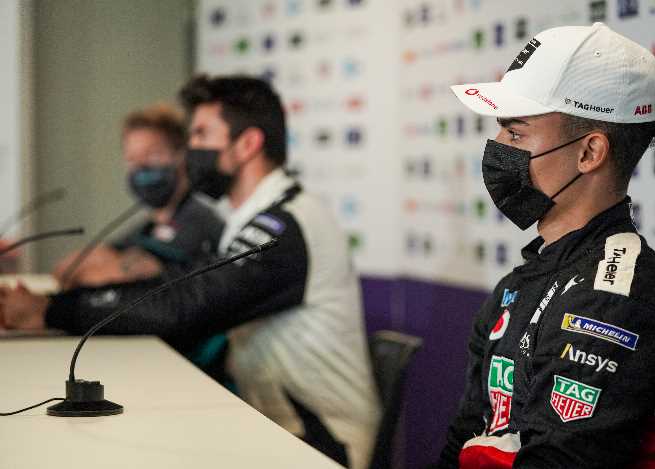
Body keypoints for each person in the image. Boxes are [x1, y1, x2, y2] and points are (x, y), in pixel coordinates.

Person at [0, 75, 380, 469]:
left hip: (320, 442)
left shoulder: (286, 224)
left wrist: (49, 311)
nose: (191, 151)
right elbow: (179, 286)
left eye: (201, 135)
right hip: (269, 421)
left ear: (247, 144)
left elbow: (185, 305)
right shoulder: (250, 217)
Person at [436, 23, 655, 468]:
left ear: (589, 153)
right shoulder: (521, 282)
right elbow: (463, 440)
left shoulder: (616, 303)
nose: (497, 147)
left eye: (516, 134)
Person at [53, 103, 224, 290]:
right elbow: (66, 268)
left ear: (181, 155)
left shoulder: (199, 219)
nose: (141, 167)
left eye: (152, 155)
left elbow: (129, 277)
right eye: (132, 159)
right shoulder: (149, 224)